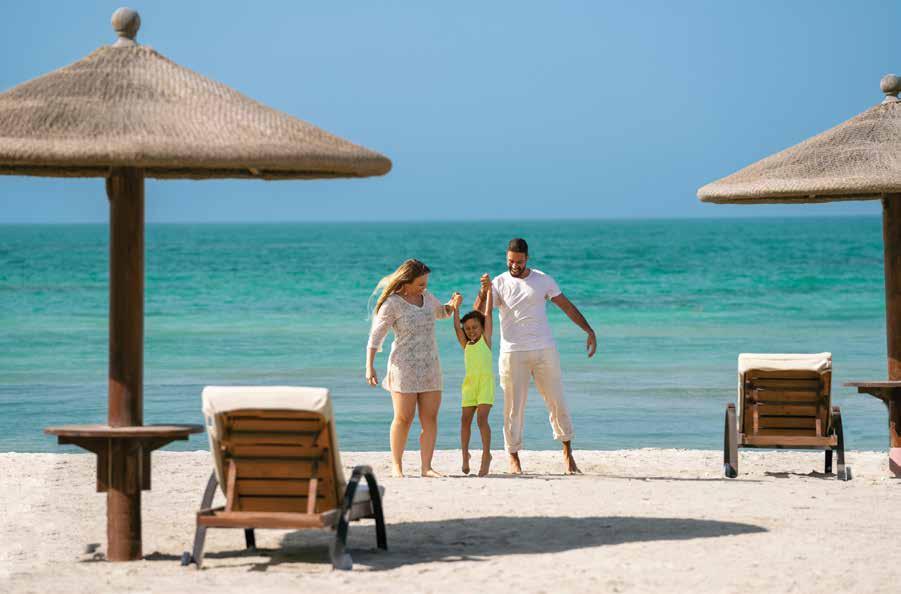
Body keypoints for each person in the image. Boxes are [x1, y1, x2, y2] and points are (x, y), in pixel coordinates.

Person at [474, 238, 596, 475]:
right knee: (513, 408)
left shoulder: (543, 280)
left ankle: (567, 453)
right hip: (512, 353)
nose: (515, 265)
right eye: (511, 261)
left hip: (544, 351)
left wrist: (588, 330)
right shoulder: (498, 283)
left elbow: (566, 306)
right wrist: (483, 291)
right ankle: (513, 457)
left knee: (557, 401)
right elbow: (478, 313)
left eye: (519, 261)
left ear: (527, 259)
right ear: (507, 258)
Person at [366, 258, 462, 478]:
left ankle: (426, 467)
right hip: (404, 367)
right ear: (406, 282)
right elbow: (376, 337)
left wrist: (452, 304)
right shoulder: (392, 304)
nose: (424, 287)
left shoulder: (426, 297)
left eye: (425, 283)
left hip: (430, 366)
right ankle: (397, 465)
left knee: (430, 418)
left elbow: (442, 312)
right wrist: (369, 366)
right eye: (420, 284)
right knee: (403, 418)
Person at [452, 288, 495, 477]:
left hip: (485, 384)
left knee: (481, 419)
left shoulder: (486, 340)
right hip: (469, 385)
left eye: (475, 327)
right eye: (468, 329)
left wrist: (489, 291)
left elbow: (488, 313)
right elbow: (457, 328)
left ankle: (486, 455)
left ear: (482, 327)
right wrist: (456, 308)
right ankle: (465, 455)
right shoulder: (466, 344)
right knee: (465, 420)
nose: (471, 331)